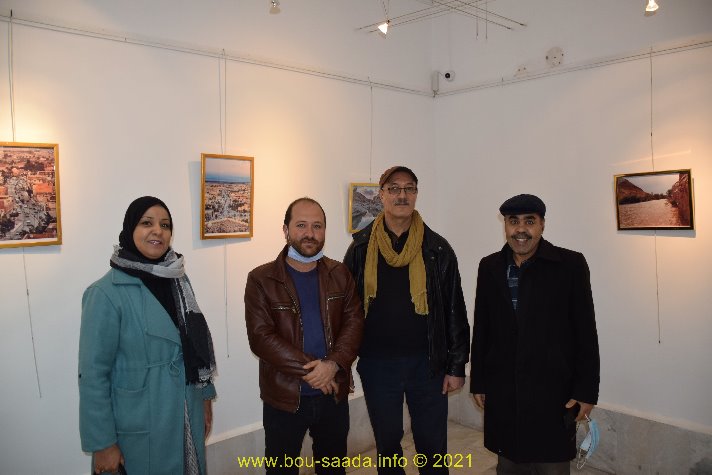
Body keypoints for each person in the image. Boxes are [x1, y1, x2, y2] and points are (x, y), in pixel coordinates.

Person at [343, 166, 470, 475]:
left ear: (416, 194)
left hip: (428, 365)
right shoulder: (361, 247)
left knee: (433, 447)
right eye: (394, 188)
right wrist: (343, 363)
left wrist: (456, 366)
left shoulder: (437, 248)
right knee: (387, 446)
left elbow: (455, 308)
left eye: (409, 188)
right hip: (377, 365)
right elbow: (346, 310)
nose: (402, 195)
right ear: (381, 195)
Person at [79, 196, 217, 475]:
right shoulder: (105, 293)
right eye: (146, 223)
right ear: (130, 229)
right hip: (141, 423)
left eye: (165, 225)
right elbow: (93, 375)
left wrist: (204, 398)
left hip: (186, 410)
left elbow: (195, 347)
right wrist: (102, 444)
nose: (158, 231)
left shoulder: (178, 280)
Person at [470, 194, 600, 475]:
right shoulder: (490, 266)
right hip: (504, 390)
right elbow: (482, 328)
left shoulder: (570, 265)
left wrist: (586, 391)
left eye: (529, 221)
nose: (521, 229)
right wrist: (478, 380)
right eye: (513, 221)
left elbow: (586, 332)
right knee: (508, 465)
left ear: (542, 224)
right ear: (505, 225)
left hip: (553, 393)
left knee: (552, 466)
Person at [244, 197, 364, 475]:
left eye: (317, 226)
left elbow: (355, 323)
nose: (310, 233)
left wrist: (332, 365)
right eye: (301, 225)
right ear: (285, 230)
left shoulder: (340, 273)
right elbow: (261, 337)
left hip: (333, 395)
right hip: (284, 398)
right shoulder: (261, 279)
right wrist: (315, 371)